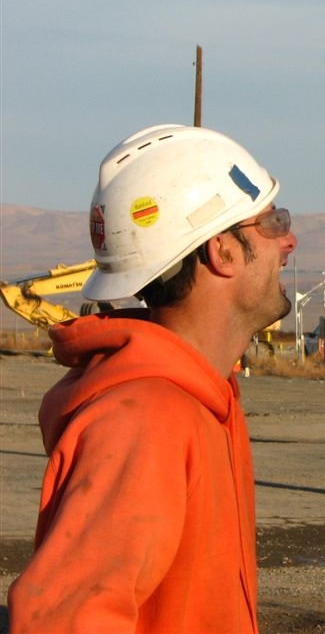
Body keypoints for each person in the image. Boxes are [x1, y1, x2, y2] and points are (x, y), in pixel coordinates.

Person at [7, 124, 298, 632]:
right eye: (270, 223)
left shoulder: (202, 398)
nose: (289, 240)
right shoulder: (148, 419)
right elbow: (63, 619)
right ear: (221, 251)